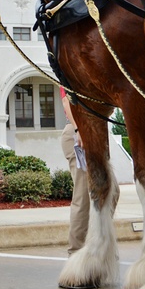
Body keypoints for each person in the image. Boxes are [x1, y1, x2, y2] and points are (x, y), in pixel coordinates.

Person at [60, 87, 89, 253]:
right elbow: (67, 101)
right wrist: (79, 129)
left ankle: (95, 242)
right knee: (82, 194)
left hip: (94, 130)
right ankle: (76, 252)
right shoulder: (69, 67)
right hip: (77, 132)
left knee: (111, 192)